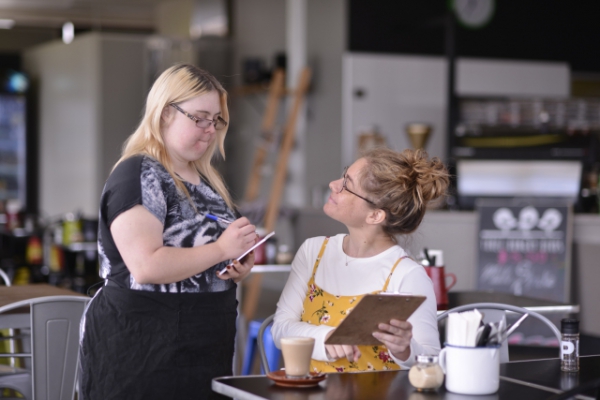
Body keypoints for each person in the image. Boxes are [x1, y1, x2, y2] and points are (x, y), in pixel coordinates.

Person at [79, 64, 258, 400]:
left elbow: (204, 259)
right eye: (199, 117)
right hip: (143, 348)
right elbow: (146, 266)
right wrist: (221, 250)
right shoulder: (139, 173)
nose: (209, 130)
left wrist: (235, 266)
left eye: (216, 120)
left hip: (205, 344)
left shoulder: (207, 181)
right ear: (164, 114)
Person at [272, 147, 449, 373]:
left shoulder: (407, 274)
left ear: (375, 215)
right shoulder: (313, 251)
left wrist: (406, 349)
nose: (333, 185)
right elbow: (280, 330)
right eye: (343, 175)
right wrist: (326, 337)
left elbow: (431, 360)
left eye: (347, 184)